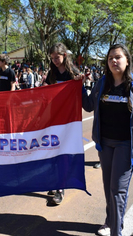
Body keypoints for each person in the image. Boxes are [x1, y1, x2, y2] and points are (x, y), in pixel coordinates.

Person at [82, 44, 133, 236]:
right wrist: (81, 85)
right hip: (104, 144)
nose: (114, 61)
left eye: (118, 57)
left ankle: (116, 231)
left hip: (126, 145)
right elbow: (88, 106)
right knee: (108, 188)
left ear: (127, 61)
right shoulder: (102, 83)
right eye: (110, 58)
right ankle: (111, 221)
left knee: (117, 190)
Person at [43, 42, 80, 205]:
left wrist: (81, 83)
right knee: (52, 151)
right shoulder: (51, 73)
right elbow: (45, 92)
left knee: (63, 153)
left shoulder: (73, 73)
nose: (54, 60)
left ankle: (60, 187)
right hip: (53, 119)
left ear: (64, 55)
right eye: (52, 58)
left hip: (68, 120)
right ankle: (55, 182)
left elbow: (80, 96)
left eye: (56, 57)